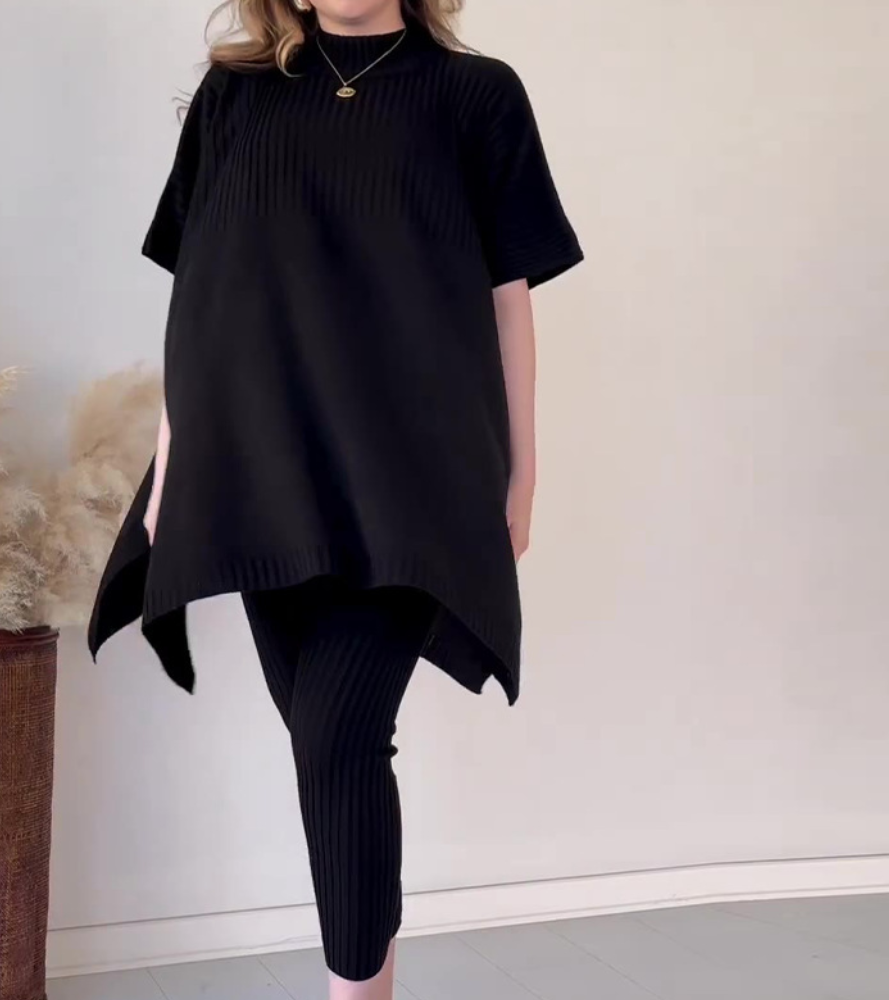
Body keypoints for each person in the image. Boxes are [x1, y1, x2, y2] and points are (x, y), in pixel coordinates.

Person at [88, 0, 583, 996]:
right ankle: (370, 979)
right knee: (332, 752)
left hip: (416, 481)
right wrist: (174, 463)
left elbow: (508, 300)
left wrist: (523, 473)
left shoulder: (476, 95)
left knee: (336, 739)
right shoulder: (236, 97)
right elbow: (201, 296)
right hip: (258, 471)